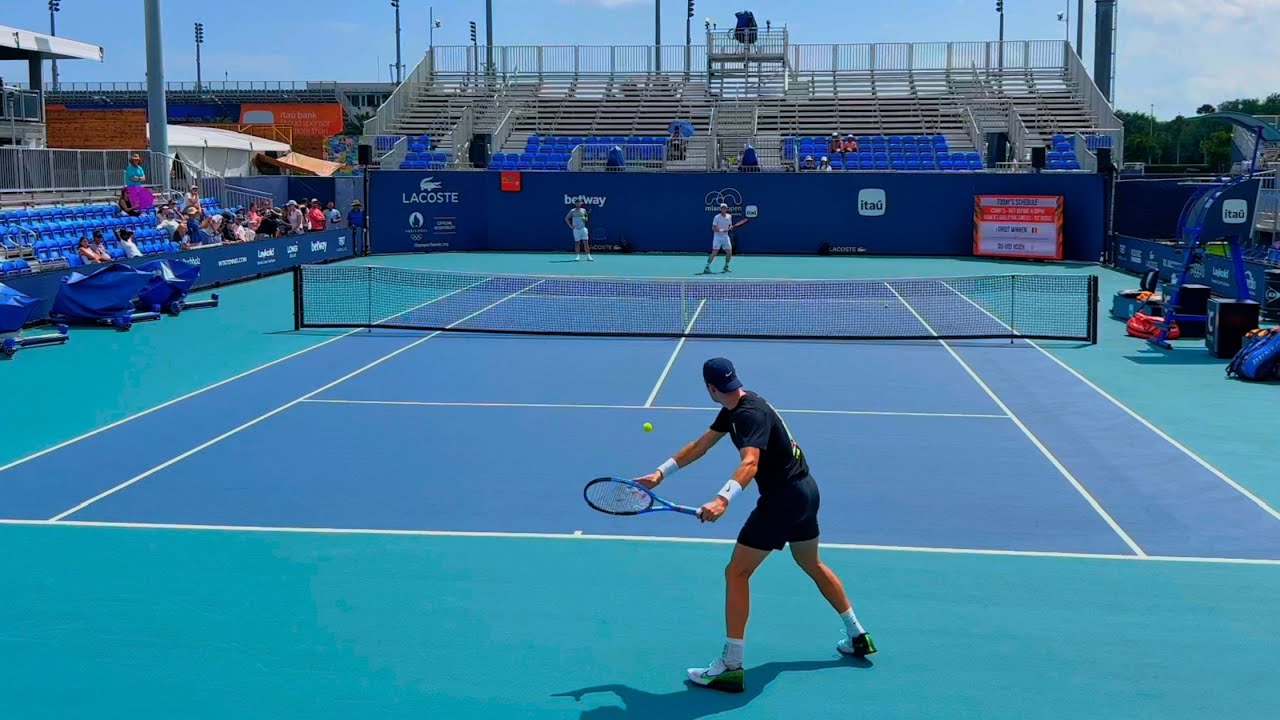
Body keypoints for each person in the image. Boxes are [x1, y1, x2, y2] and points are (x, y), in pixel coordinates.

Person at [635, 358, 876, 694]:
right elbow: (701, 445)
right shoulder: (737, 405)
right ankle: (858, 635)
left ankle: (731, 667)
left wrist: (722, 499)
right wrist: (661, 473)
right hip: (806, 492)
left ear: (710, 388)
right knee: (811, 563)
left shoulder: (747, 415)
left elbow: (750, 461)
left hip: (782, 501)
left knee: (736, 573)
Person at [703, 203, 743, 275]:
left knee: (729, 253)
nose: (723, 209)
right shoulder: (716, 217)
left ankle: (726, 266)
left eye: (725, 208)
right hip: (717, 237)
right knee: (714, 252)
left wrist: (730, 227)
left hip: (725, 237)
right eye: (722, 208)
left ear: (726, 209)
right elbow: (713, 228)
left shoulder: (729, 216)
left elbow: (730, 224)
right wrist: (722, 230)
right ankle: (707, 267)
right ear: (720, 209)